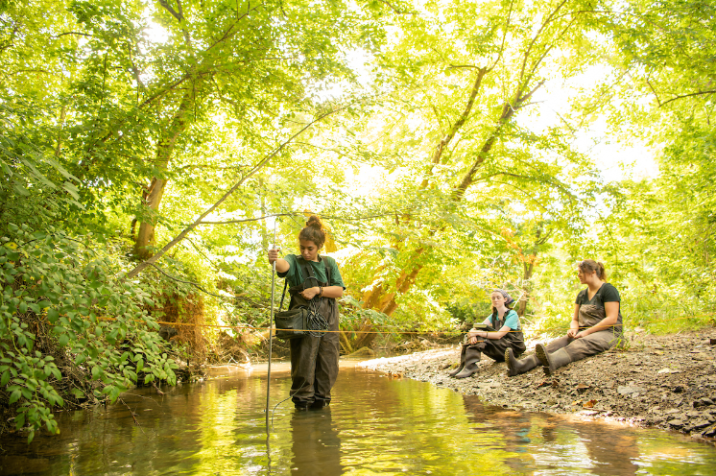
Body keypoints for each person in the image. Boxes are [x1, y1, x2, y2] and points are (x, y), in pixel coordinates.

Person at [268, 216, 346, 410]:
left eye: (310, 248)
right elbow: (282, 266)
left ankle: (322, 402)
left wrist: (317, 290)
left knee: (328, 361)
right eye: (302, 247)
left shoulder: (329, 264)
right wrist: (274, 259)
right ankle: (302, 404)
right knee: (304, 359)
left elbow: (338, 291)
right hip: (302, 319)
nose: (305, 252)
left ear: (318, 246)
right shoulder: (294, 261)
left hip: (329, 318)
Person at [505, 259, 624, 377]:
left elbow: (612, 319)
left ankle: (553, 361)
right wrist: (574, 329)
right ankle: (520, 365)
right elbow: (575, 319)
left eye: (581, 272)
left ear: (593, 272)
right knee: (556, 344)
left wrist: (586, 332)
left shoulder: (608, 290)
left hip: (608, 333)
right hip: (584, 332)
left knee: (581, 343)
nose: (578, 275)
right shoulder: (582, 295)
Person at [449, 290, 526, 379]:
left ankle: (471, 367)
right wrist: (472, 333)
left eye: (498, 297)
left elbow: (499, 335)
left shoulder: (512, 314)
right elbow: (477, 327)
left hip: (513, 348)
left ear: (505, 299)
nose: (495, 300)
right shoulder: (493, 315)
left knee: (480, 337)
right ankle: (464, 365)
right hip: (501, 346)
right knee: (474, 336)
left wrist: (478, 333)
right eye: (493, 298)